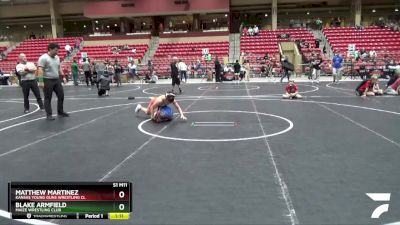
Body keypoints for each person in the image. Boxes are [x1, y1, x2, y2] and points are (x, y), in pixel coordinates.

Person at [37, 43, 69, 120]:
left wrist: (63, 77)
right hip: (47, 80)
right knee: (48, 98)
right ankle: (49, 115)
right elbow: (40, 69)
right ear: (50, 49)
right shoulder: (43, 58)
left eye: (58, 50)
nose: (57, 52)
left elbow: (59, 68)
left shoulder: (57, 57)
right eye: (55, 50)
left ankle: (60, 112)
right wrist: (41, 81)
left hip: (56, 80)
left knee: (61, 95)